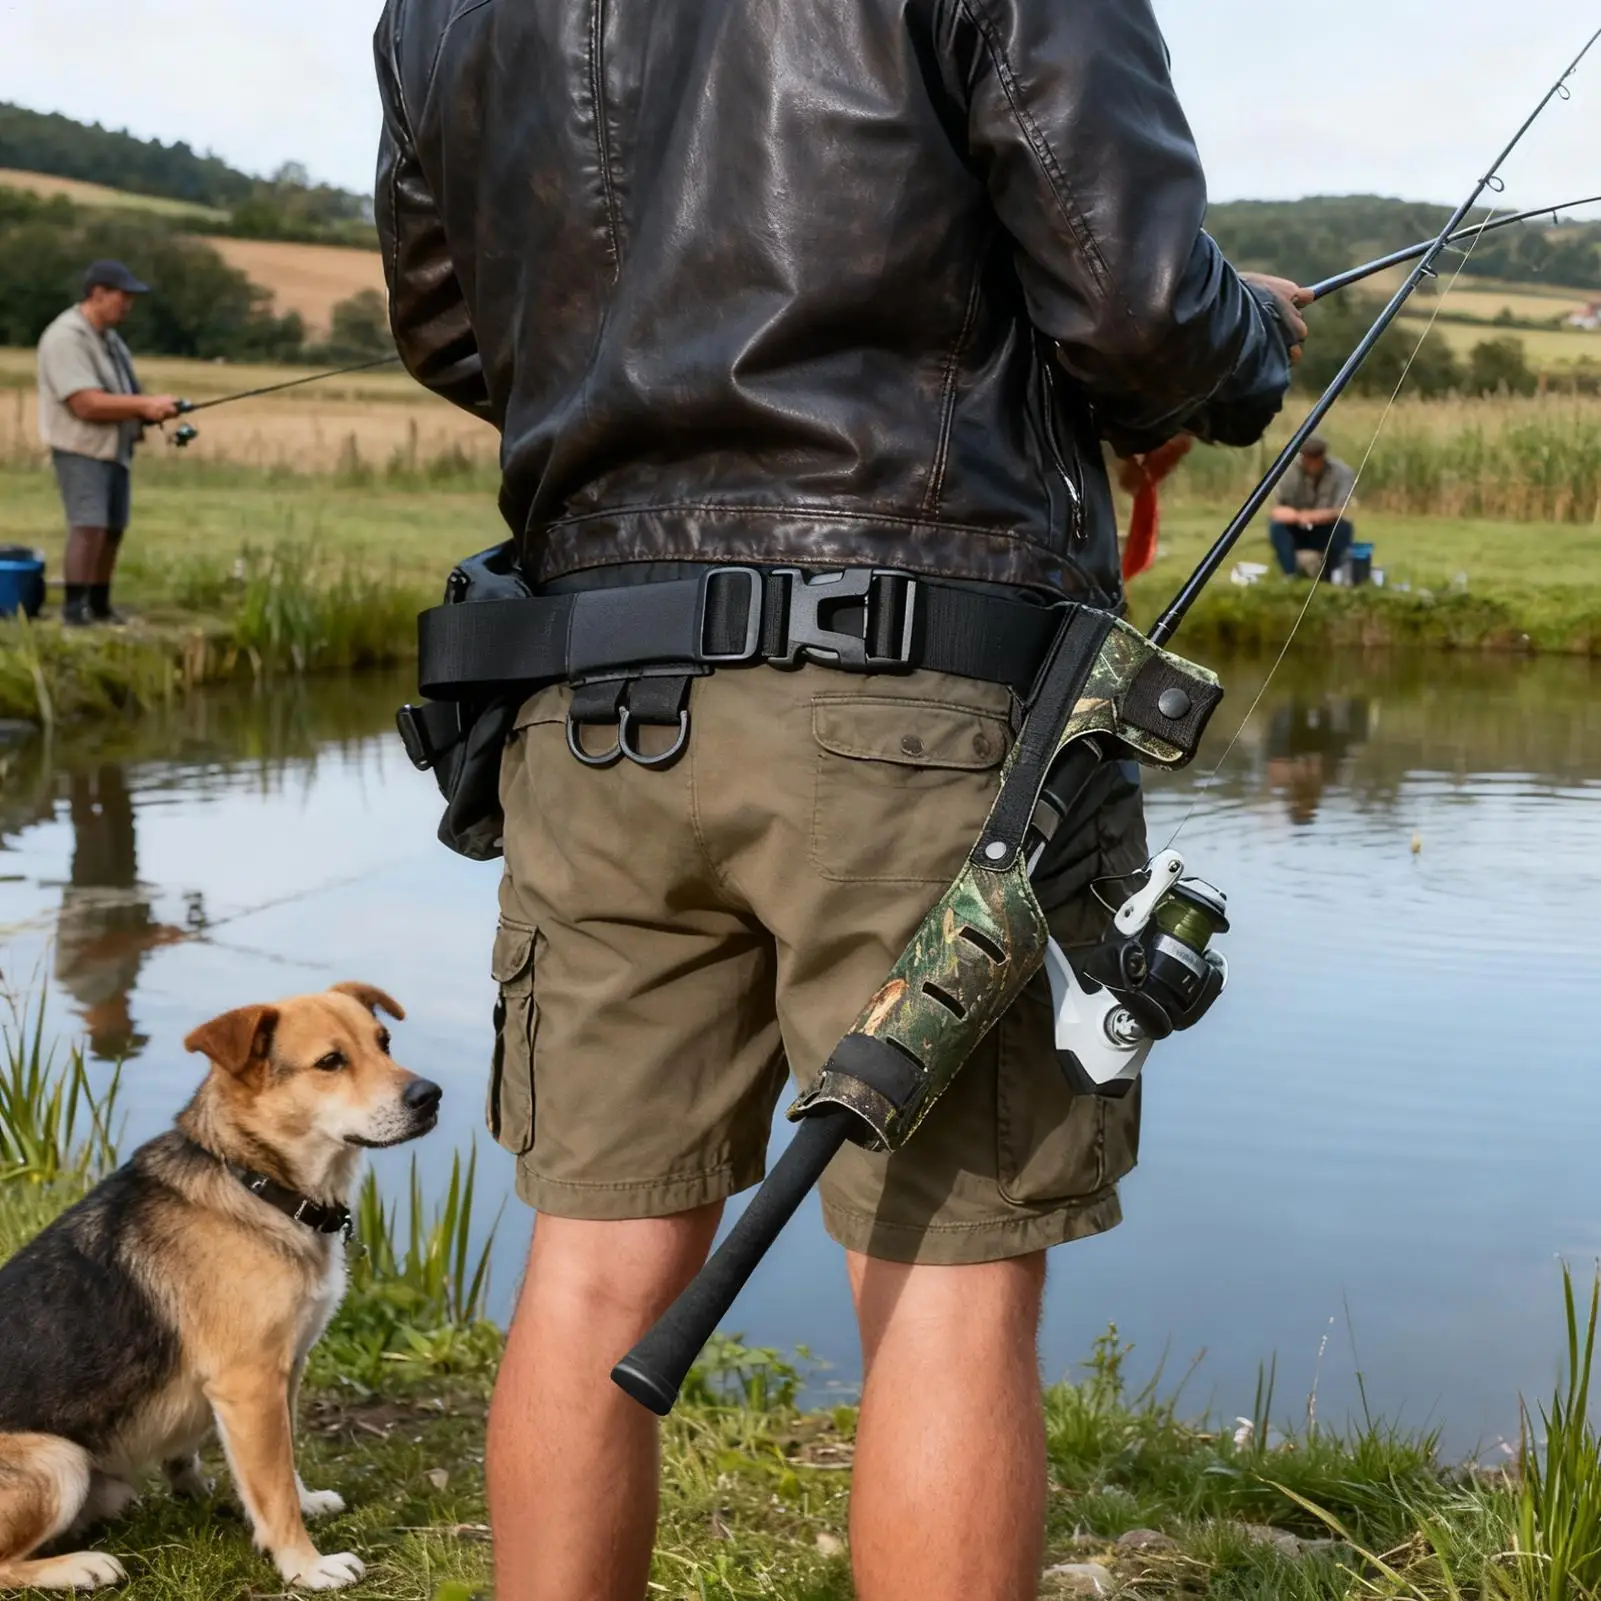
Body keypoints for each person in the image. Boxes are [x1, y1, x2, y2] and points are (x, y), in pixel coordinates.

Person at [375, 1, 1307, 1596]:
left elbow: (454, 326)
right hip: (917, 705)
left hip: (589, 705)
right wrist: (1254, 339)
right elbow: (1142, 308)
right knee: (942, 1280)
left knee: (595, 1266)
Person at [35, 261, 180, 626]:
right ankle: (74, 610)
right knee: (89, 526)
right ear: (98, 294)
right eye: (123, 296)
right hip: (81, 447)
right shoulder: (65, 337)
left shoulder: (109, 339)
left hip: (115, 447)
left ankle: (99, 606)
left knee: (113, 527)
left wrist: (148, 411)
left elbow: (122, 394)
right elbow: (85, 403)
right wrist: (144, 405)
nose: (128, 305)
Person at [1268, 436, 1358, 580]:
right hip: (1295, 527)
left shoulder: (1341, 472)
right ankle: (1290, 576)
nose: (1309, 462)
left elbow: (1339, 510)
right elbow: (1275, 509)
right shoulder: (1288, 471)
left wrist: (1310, 516)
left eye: (1314, 457)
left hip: (1325, 528)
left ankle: (1330, 576)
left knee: (1343, 529)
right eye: (1306, 457)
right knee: (1277, 527)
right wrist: (1298, 517)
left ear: (1322, 457)